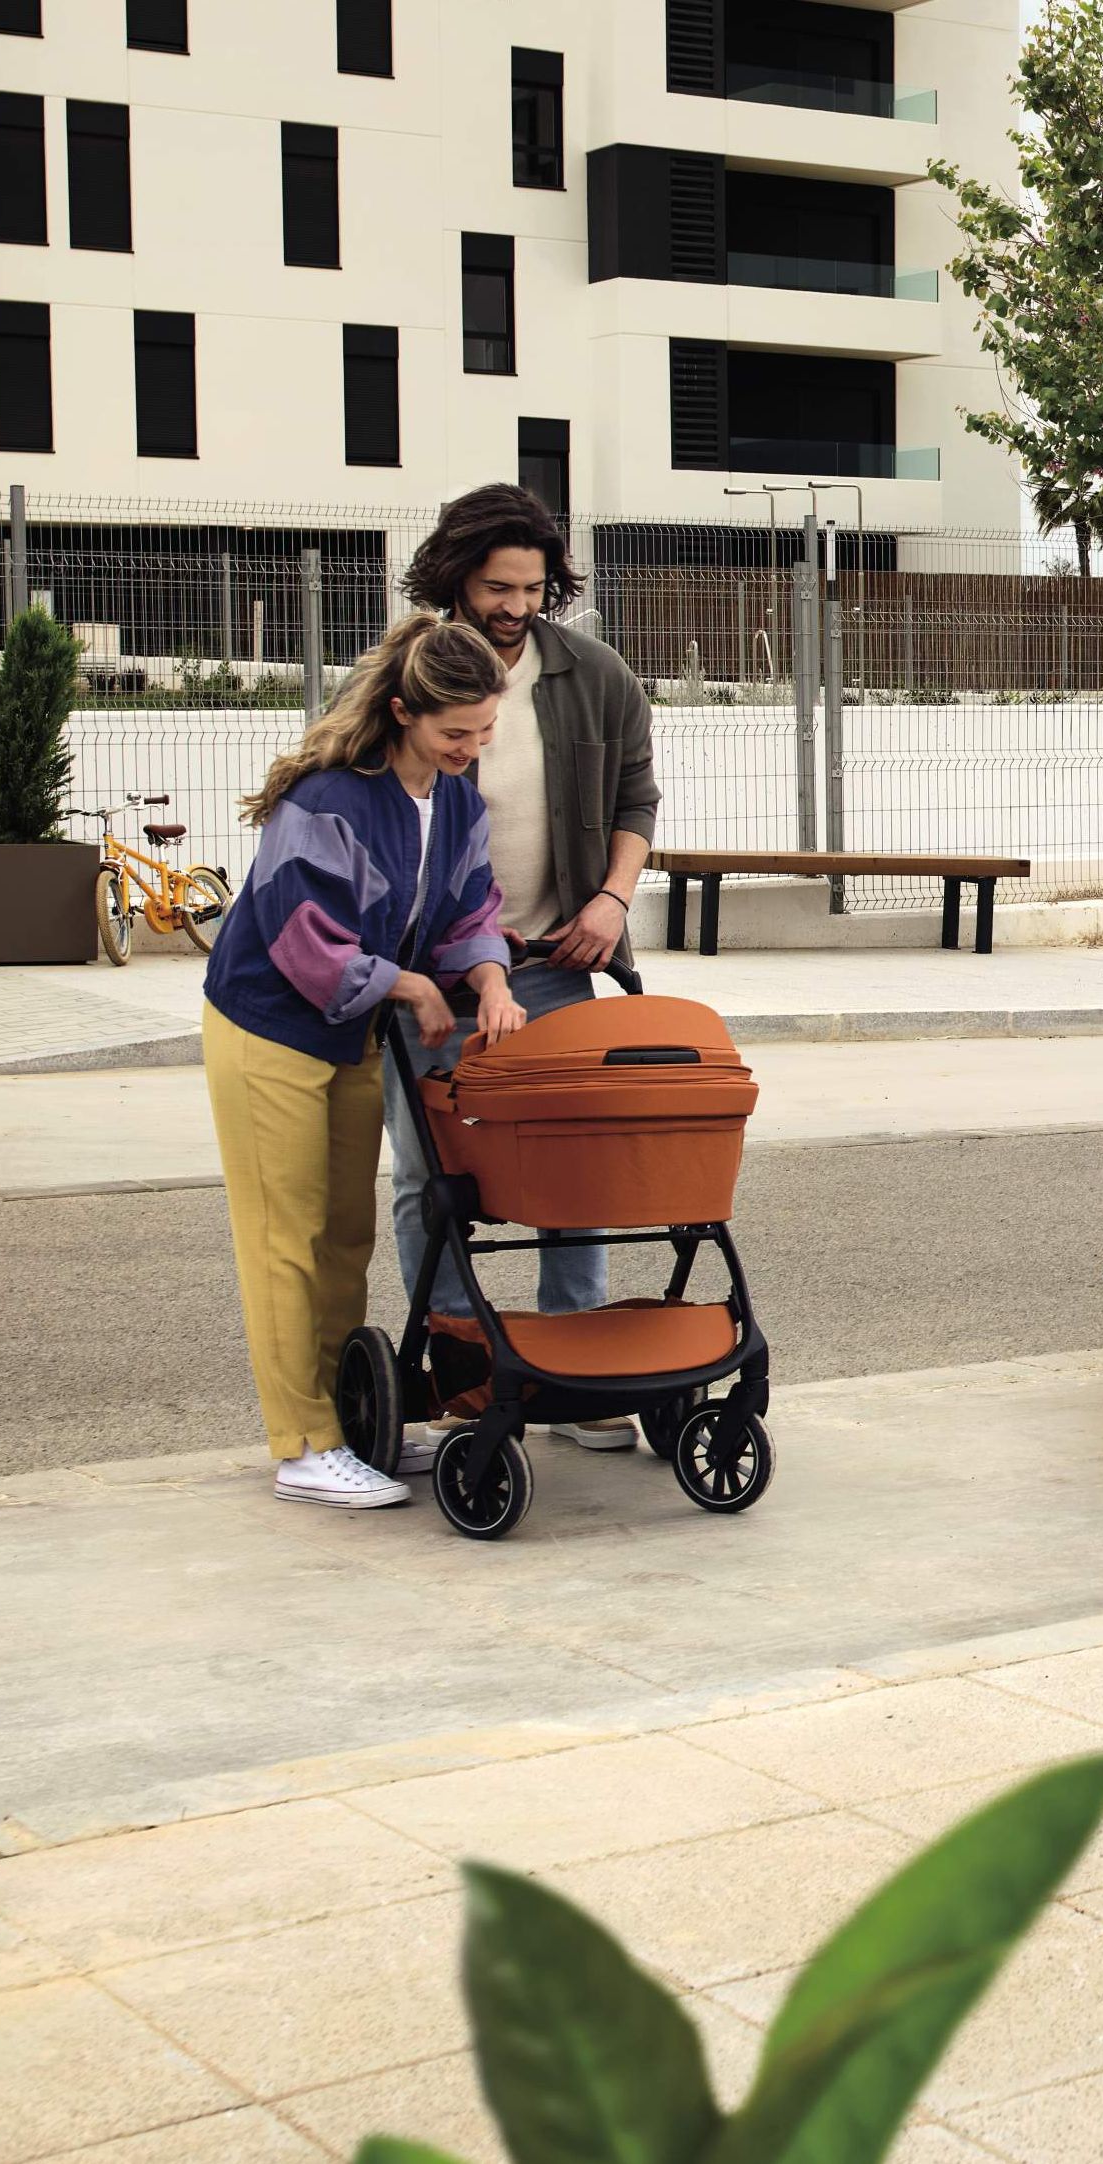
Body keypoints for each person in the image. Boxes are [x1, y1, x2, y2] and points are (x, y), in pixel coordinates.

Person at [202, 615, 527, 1508]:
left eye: (484, 731)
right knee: (285, 1240)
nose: (471, 748)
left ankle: (348, 1424)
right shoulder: (329, 798)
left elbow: (470, 908)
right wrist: (413, 988)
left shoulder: (455, 799)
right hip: (269, 1028)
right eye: (454, 732)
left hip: (348, 1032)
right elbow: (301, 937)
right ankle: (302, 1444)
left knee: (345, 1235)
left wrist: (492, 982)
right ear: (402, 714)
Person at [385, 484, 661, 1453]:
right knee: (434, 1182)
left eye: (532, 587)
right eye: (497, 586)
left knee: (574, 1173)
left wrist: (611, 901)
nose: (514, 605)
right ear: (456, 576)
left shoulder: (594, 674)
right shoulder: (408, 671)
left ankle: (577, 1372)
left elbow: (637, 797)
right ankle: (460, 1376)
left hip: (553, 962)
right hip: (431, 977)